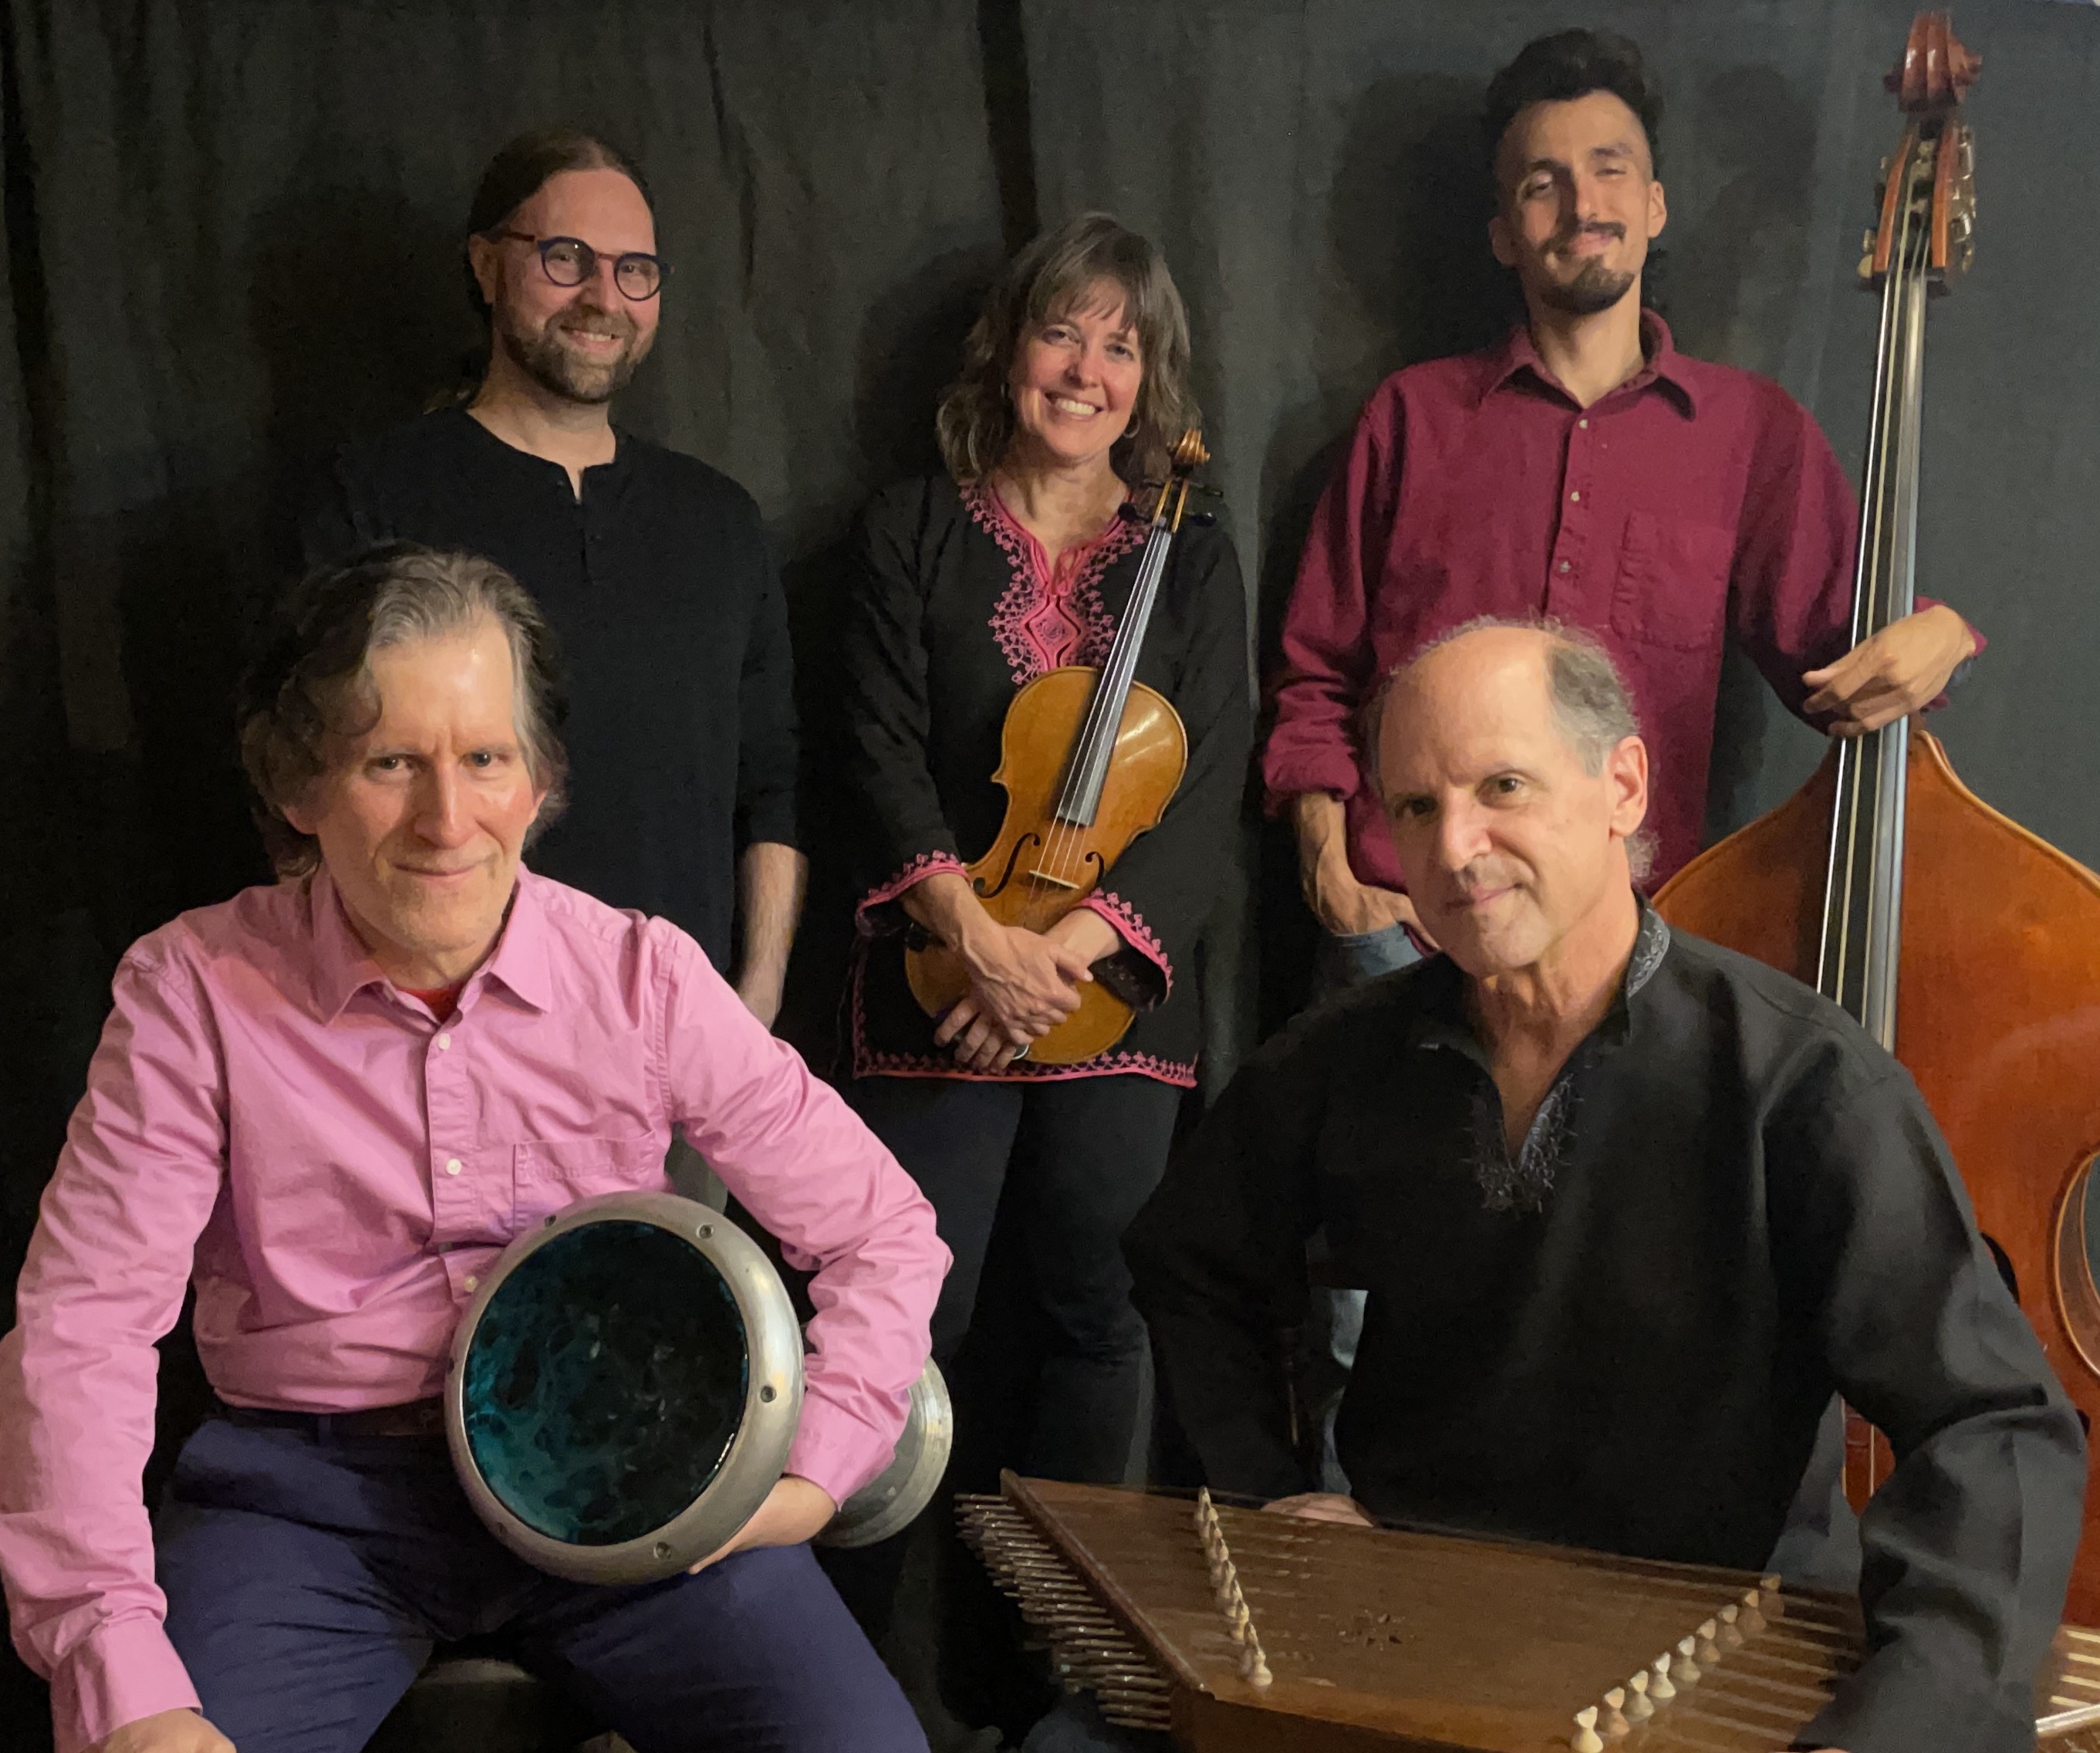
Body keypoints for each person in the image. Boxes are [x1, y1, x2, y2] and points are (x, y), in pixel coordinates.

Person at [0, 545, 946, 1753]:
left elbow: (881, 1230)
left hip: (632, 1487)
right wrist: (116, 1667)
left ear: (540, 782)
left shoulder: (644, 977)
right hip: (310, 1507)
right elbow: (82, 1328)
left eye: (486, 759)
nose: (447, 822)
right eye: (391, 762)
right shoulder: (193, 990)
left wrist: (810, 1469)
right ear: (301, 788)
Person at [1129, 620, 2084, 1753]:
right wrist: (1265, 1500)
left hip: (1724, 1643)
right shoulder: (1341, 1059)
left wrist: (1906, 1720)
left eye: (1502, 787)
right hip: (1415, 1619)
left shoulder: (1800, 1080)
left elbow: (1991, 1423)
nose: (1455, 847)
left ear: (1621, 786)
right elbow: (1188, 1260)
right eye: (1417, 807)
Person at [1263, 29, 1981, 983]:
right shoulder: (1410, 417)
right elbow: (1314, 676)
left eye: (1609, 170)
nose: (1581, 205)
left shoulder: (1752, 432)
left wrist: (1944, 636)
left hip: (1628, 957)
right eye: (1542, 182)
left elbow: (1844, 658)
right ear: (1502, 232)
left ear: (1653, 206)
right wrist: (1331, 870)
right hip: (1406, 936)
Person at [836, 213, 1251, 1724]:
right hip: (938, 981)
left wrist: (1063, 955)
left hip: (1108, 994)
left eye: (1118, 345)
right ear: (1007, 350)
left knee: (1095, 1323)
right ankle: (849, 1679)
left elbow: (1205, 786)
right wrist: (976, 940)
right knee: (902, 1325)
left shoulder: (1189, 559)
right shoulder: (907, 530)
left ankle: (1059, 1691)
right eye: (1060, 331)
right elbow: (876, 745)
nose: (1084, 368)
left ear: (1150, 380)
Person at [305, 129, 802, 1024]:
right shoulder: (373, 497)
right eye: (566, 258)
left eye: (634, 270)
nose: (603, 298)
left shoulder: (721, 521)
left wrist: (754, 1005)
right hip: (441, 1037)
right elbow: (314, 770)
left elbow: (771, 785)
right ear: (486, 264)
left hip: (683, 1038)